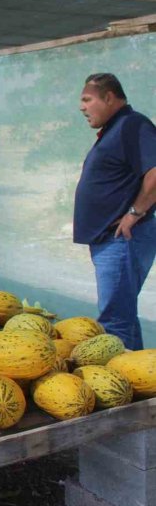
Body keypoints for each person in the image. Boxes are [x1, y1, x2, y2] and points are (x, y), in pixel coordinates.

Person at [73, 73, 156, 350]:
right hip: (112, 240)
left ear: (108, 97)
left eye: (87, 99)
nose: (82, 107)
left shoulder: (133, 125)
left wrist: (134, 213)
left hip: (123, 239)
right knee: (122, 317)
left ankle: (119, 378)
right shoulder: (116, 129)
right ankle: (143, 374)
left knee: (114, 322)